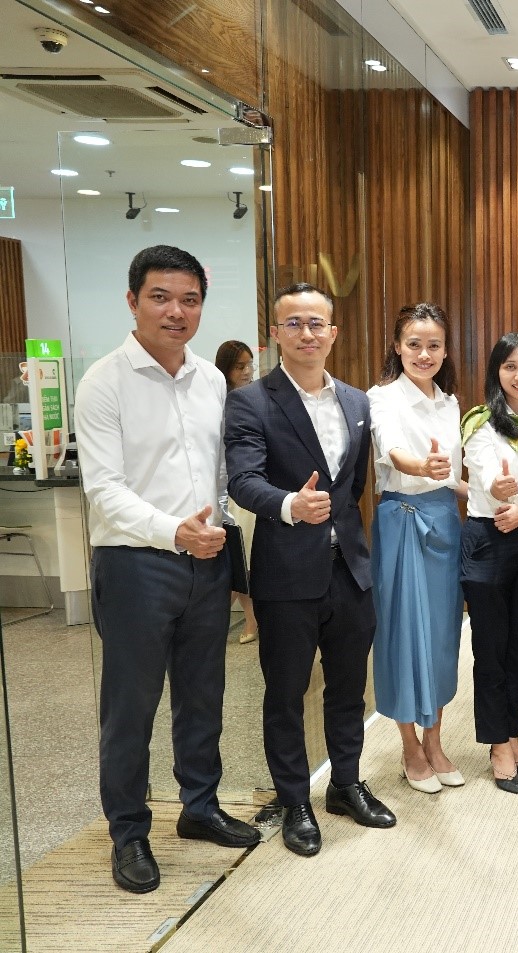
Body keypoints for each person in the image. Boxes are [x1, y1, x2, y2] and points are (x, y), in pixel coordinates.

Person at [75, 245, 260, 894]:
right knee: (131, 706)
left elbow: (219, 472)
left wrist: (222, 527)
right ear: (133, 301)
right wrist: (171, 530)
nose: (175, 311)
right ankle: (128, 831)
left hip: (206, 560)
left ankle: (199, 806)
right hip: (135, 565)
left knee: (203, 693)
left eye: (189, 299)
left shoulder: (210, 380)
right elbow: (104, 489)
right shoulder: (104, 382)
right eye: (160, 297)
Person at [225, 282, 396, 857]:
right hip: (285, 572)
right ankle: (294, 798)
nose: (307, 333)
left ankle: (345, 783)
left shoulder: (357, 402)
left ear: (333, 333)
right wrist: (289, 505)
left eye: (316, 323)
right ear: (276, 333)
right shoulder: (251, 401)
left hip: (350, 568)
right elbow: (242, 480)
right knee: (286, 693)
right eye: (294, 323)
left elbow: (353, 486)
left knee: (348, 688)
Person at [368, 304, 465, 794]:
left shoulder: (450, 403)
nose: (424, 354)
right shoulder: (382, 397)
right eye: (414, 344)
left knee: (444, 635)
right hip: (402, 520)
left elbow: (453, 477)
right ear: (397, 346)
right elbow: (393, 452)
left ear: (445, 351)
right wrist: (421, 467)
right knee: (403, 634)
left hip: (446, 520)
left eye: (433, 345)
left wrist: (492, 493)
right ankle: (409, 745)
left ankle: (435, 739)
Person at [461, 332, 518, 794]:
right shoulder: (480, 421)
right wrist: (498, 489)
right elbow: (482, 472)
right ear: (496, 371)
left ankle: (513, 733)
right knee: (491, 647)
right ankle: (497, 743)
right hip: (488, 538)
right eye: (510, 366)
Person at [215, 340, 260, 644]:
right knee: (238, 560)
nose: (246, 371)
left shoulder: (255, 398)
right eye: (239, 366)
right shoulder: (217, 401)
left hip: (250, 487)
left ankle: (250, 620)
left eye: (249, 365)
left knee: (246, 559)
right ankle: (245, 620)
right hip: (227, 490)